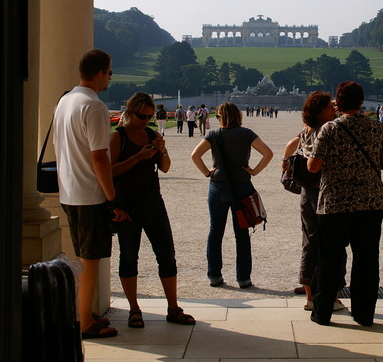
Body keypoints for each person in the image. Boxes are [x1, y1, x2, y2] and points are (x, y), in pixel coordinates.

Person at [53, 49, 130, 339]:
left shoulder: (65, 101)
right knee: (90, 260)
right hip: (89, 193)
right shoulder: (94, 106)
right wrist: (112, 198)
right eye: (109, 72)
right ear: (99, 74)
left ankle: (83, 311)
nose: (110, 77)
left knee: (84, 255)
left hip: (69, 190)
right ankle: (84, 321)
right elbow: (100, 157)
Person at [306, 81, 383, 326]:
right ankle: (364, 314)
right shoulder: (376, 127)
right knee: (366, 260)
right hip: (370, 201)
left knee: (329, 260)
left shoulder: (329, 129)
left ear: (338, 102)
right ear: (361, 101)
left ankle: (322, 313)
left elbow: (313, 167)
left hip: (335, 202)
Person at [110, 93, 195, 327]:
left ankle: (173, 307)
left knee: (167, 255)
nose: (145, 120)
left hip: (152, 202)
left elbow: (165, 168)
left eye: (149, 116)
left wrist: (163, 150)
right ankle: (134, 309)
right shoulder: (119, 137)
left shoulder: (152, 134)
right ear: (129, 112)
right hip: (126, 205)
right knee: (128, 257)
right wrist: (138, 157)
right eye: (141, 116)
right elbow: (109, 172)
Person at [190, 102, 273, 288]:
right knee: (241, 233)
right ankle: (243, 278)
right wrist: (254, 171)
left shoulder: (214, 134)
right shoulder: (246, 134)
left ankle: (214, 275)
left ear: (221, 117)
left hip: (218, 186)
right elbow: (268, 153)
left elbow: (195, 155)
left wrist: (207, 172)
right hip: (242, 186)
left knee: (215, 232)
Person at [281, 91, 345, 313]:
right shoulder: (328, 130)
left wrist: (285, 162)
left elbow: (290, 144)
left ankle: (310, 296)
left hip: (307, 192)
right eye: (329, 107)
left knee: (310, 242)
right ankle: (334, 296)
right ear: (320, 111)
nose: (334, 110)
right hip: (326, 190)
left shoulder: (307, 130)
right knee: (334, 243)